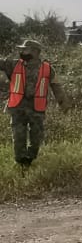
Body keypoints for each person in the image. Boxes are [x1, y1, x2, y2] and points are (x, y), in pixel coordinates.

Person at [2, 39, 67, 169]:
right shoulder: (13, 64)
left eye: (25, 49)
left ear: (36, 52)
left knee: (36, 136)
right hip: (17, 107)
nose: (21, 51)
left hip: (37, 108)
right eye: (21, 49)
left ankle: (30, 158)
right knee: (18, 136)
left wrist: (63, 104)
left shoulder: (48, 69)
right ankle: (21, 162)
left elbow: (57, 87)